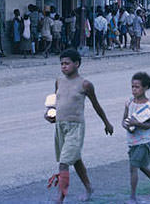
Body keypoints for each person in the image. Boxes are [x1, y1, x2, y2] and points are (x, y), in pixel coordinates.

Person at [45, 49, 113, 203]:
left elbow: (96, 105)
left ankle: (60, 198)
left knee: (64, 162)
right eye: (61, 64)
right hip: (61, 126)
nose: (64, 66)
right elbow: (55, 102)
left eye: (67, 63)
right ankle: (89, 187)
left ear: (77, 64)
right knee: (75, 159)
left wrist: (106, 123)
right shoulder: (59, 81)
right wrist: (49, 113)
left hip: (76, 127)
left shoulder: (85, 84)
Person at [122, 72, 150, 202]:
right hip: (132, 140)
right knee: (142, 166)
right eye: (132, 87)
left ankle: (133, 196)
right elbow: (124, 119)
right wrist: (126, 125)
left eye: (137, 87)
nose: (134, 90)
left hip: (144, 141)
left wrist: (137, 124)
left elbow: (149, 125)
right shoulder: (129, 102)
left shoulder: (148, 106)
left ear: (145, 88)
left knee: (133, 167)